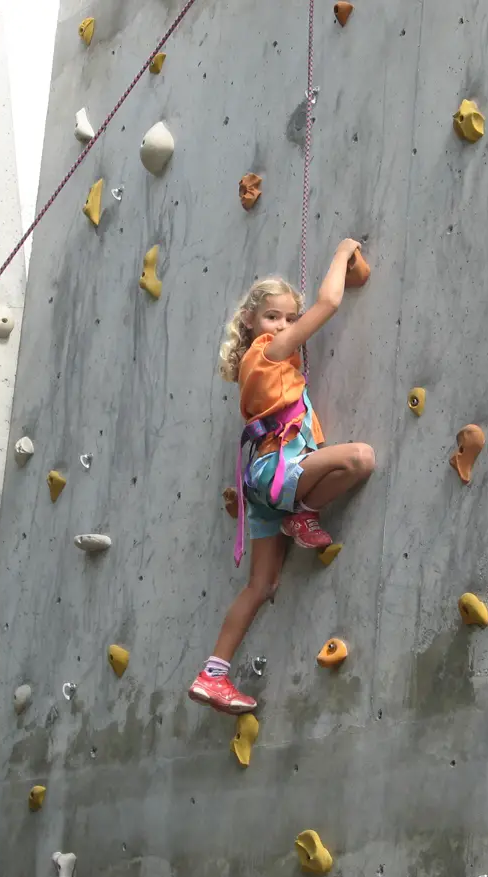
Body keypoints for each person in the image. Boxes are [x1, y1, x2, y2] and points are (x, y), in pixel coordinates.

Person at [188, 238, 376, 714]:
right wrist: (343, 252)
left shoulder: (257, 367)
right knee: (359, 458)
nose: (285, 326)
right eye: (274, 316)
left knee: (261, 586)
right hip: (279, 470)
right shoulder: (269, 352)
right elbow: (329, 303)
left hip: (263, 484)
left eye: (290, 319)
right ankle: (304, 513)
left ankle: (213, 674)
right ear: (251, 322)